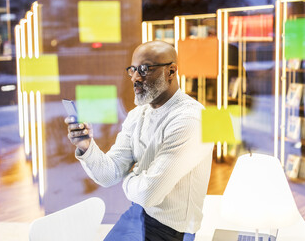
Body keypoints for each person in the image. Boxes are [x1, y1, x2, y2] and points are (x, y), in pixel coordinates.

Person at [67, 40, 214, 241]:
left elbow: (148, 194)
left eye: (145, 69)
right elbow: (109, 175)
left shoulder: (192, 120)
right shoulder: (138, 115)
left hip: (172, 231)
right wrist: (86, 146)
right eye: (133, 70)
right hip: (137, 212)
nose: (135, 78)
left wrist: (129, 175)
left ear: (171, 71)